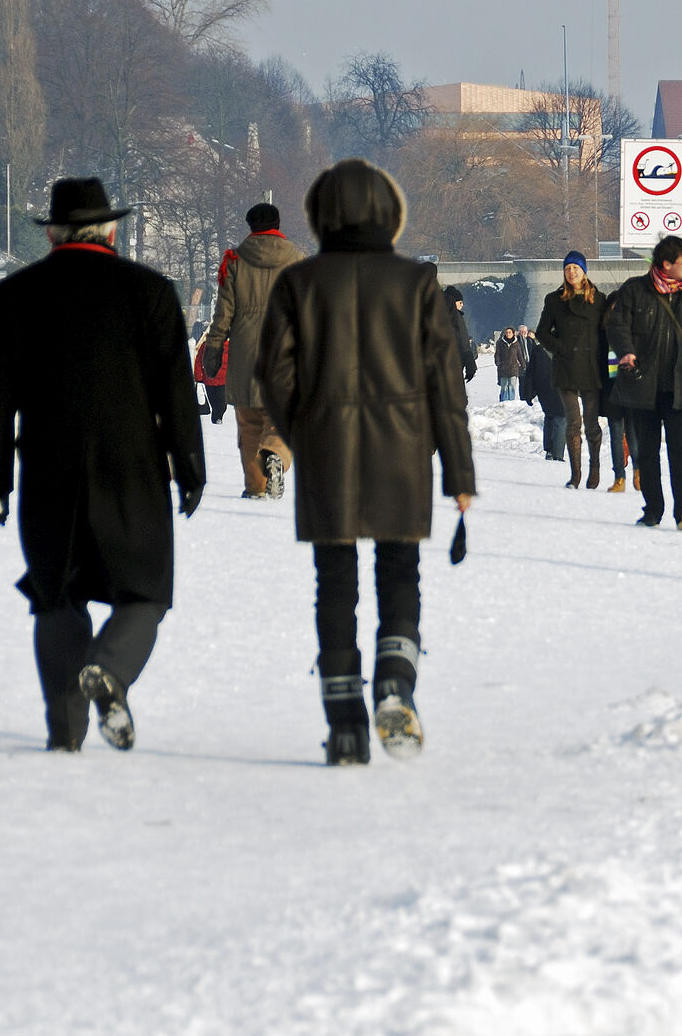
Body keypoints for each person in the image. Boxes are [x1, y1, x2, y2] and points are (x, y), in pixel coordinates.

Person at [0, 178, 206, 753]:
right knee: (145, 590)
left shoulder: (15, 296)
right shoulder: (151, 292)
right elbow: (176, 392)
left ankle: (65, 736)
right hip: (132, 466)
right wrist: (190, 465)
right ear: (111, 229)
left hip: (49, 466)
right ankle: (109, 668)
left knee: (58, 593)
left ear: (51, 232)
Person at [258, 158, 475, 765]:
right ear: (389, 211)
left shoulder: (298, 284)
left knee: (335, 586)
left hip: (327, 450)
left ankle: (346, 727)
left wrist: (303, 425)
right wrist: (458, 473)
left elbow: (273, 371)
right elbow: (445, 385)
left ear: (320, 213)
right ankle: (393, 684)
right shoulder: (418, 284)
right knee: (399, 573)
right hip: (402, 452)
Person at [602, 234, 682, 530]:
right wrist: (626, 353)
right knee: (646, 451)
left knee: (677, 447)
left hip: (679, 385)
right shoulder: (635, 290)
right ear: (666, 263)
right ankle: (653, 508)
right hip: (641, 384)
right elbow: (617, 326)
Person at [196, 203, 305, 501]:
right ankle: (275, 454)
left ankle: (256, 486)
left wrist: (214, 347)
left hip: (245, 351)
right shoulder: (297, 260)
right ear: (278, 224)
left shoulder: (235, 261)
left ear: (250, 226)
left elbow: (224, 313)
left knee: (249, 422)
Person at [535, 251, 607, 489]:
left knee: (592, 423)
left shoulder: (599, 300)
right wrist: (561, 347)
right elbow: (542, 332)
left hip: (591, 368)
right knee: (573, 422)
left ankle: (594, 469)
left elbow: (607, 334)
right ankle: (575, 474)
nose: (571, 272)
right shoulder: (554, 300)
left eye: (576, 268)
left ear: (584, 271)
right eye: (567, 269)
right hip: (566, 367)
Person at [521, 324, 564, 461]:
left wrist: (528, 392)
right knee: (561, 419)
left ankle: (549, 449)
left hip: (543, 389)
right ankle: (557, 453)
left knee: (550, 416)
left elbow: (530, 373)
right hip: (560, 387)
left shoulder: (538, 350)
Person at [443, 286, 479, 383]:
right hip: (454, 364)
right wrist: (470, 365)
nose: (462, 305)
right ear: (453, 302)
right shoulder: (455, 317)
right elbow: (462, 342)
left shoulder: (435, 315)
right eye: (460, 302)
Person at [492, 327, 526, 403]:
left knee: (512, 386)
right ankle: (504, 402)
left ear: (513, 333)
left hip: (513, 368)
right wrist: (497, 362)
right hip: (503, 368)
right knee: (504, 386)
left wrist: (523, 365)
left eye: (509, 332)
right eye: (507, 332)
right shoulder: (500, 343)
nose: (508, 334)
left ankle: (511, 402)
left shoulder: (516, 343)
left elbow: (520, 355)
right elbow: (497, 354)